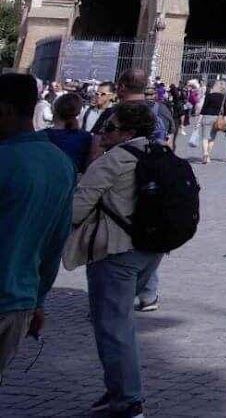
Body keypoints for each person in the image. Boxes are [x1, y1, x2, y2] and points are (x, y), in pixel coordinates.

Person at [64, 102, 164, 417]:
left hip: (116, 252)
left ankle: (129, 401)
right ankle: (118, 389)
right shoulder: (161, 155)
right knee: (118, 324)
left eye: (109, 127)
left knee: (114, 327)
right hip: (151, 250)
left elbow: (75, 211)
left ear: (128, 132)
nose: (102, 132)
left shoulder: (113, 162)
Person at [0, 73, 76, 382]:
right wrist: (39, 300)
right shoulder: (60, 163)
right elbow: (55, 242)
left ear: (4, 110)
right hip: (19, 302)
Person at [45, 90, 94, 174]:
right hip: (72, 182)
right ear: (77, 112)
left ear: (55, 110)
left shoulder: (42, 136)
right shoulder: (85, 138)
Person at [198, 79, 226, 165]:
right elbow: (225, 111)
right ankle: (209, 156)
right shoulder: (224, 97)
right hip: (216, 118)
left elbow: (203, 109)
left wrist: (198, 121)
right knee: (212, 138)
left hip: (207, 116)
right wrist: (225, 120)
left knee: (205, 138)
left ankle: (205, 154)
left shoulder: (209, 95)